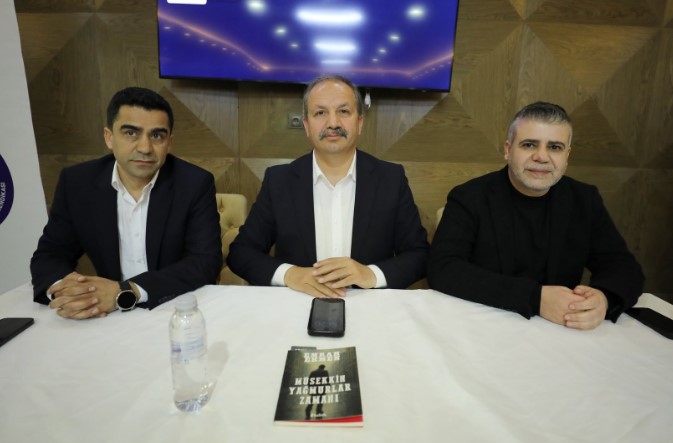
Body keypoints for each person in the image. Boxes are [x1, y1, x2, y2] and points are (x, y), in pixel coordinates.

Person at [428, 102, 644, 330]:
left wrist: (603, 298)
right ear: (508, 150)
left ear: (567, 156)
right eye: (529, 144)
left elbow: (624, 267)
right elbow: (443, 268)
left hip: (560, 330)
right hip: (484, 324)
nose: (541, 157)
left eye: (555, 147)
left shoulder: (584, 200)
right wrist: (535, 298)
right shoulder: (469, 197)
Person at [227, 74, 429, 297]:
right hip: (299, 304)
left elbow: (419, 255)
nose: (333, 123)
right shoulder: (279, 181)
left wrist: (370, 274)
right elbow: (241, 253)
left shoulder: (391, 179)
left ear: (360, 123)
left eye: (343, 111)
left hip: (369, 306)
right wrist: (290, 275)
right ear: (306, 125)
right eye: (320, 113)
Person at [30, 87, 222, 319]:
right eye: (131, 133)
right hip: (105, 315)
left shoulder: (194, 183)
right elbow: (50, 255)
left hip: (174, 308)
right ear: (109, 137)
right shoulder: (77, 183)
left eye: (157, 136)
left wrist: (127, 291)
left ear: (169, 143)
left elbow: (204, 262)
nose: (145, 148)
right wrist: (72, 292)